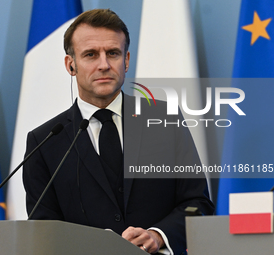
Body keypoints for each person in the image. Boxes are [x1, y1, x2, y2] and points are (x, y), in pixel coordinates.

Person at [23, 9, 214, 255]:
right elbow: (42, 229)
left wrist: (158, 235)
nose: (104, 65)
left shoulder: (166, 121)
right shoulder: (45, 141)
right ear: (71, 65)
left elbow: (198, 204)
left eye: (112, 53)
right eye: (90, 55)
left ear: (126, 60)